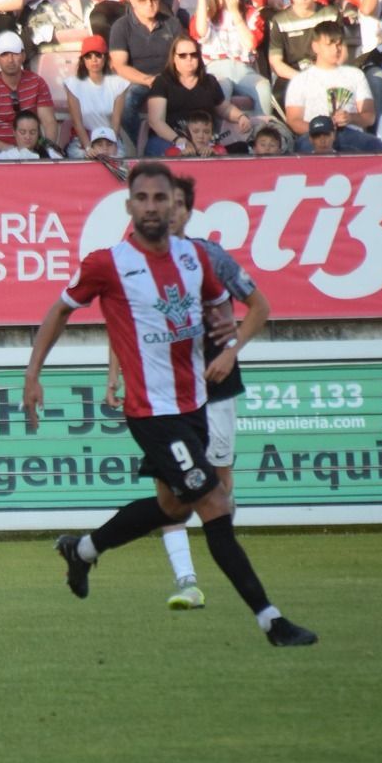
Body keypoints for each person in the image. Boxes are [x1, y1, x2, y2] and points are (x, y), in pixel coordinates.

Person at [21, 161, 316, 648]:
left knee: (172, 508)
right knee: (214, 503)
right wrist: (33, 373)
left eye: (162, 198)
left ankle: (84, 550)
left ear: (176, 206)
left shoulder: (194, 258)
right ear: (130, 205)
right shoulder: (107, 263)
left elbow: (222, 307)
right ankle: (272, 621)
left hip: (195, 405)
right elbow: (60, 310)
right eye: (144, 198)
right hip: (152, 414)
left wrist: (227, 335)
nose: (153, 207)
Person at [103, 172, 271, 611]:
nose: (164, 210)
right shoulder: (130, 262)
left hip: (212, 387)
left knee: (219, 482)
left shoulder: (208, 257)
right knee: (173, 490)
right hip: (161, 396)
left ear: (187, 211)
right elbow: (125, 327)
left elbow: (259, 306)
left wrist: (231, 350)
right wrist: (114, 375)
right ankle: (186, 580)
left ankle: (229, 566)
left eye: (174, 203)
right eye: (158, 201)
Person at [284, 20, 382, 152]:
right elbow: (293, 120)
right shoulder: (300, 79)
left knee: (377, 147)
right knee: (305, 148)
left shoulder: (355, 75)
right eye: (329, 44)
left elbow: (369, 117)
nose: (335, 49)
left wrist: (350, 117)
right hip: (314, 135)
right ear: (315, 47)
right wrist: (320, 128)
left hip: (349, 132)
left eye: (338, 44)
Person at [145, 36, 251, 154]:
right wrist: (179, 141)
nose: (189, 59)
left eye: (193, 54)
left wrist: (241, 117)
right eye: (183, 55)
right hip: (168, 139)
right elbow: (156, 121)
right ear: (174, 58)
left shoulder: (209, 81)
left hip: (203, 139)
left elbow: (224, 108)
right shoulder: (162, 82)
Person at [110, 0, 184, 147]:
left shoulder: (172, 24)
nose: (149, 4)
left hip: (170, 79)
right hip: (138, 81)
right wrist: (148, 80)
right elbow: (120, 66)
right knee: (125, 105)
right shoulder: (121, 27)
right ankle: (148, 145)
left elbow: (183, 56)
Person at [192, 0, 274, 118]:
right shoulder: (206, 12)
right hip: (215, 68)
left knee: (263, 87)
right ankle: (219, 133)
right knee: (222, 88)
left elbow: (250, 43)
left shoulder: (250, 13)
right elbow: (200, 32)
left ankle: (262, 131)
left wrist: (235, 13)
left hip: (243, 69)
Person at [0, 32, 60, 154]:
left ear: (23, 56)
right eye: (4, 55)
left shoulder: (37, 83)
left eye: (15, 54)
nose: (10, 60)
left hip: (33, 148)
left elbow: (49, 122)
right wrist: (12, 151)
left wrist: (48, 150)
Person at [267, 0, 338, 106]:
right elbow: (276, 62)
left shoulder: (331, 14)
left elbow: (340, 52)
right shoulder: (280, 21)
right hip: (293, 76)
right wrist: (302, 79)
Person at [65, 33, 131, 155]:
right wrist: (89, 149)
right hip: (83, 141)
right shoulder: (72, 84)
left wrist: (109, 145)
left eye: (98, 55)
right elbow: (77, 122)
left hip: (110, 139)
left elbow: (116, 121)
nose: (93, 60)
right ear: (83, 60)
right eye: (88, 56)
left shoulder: (119, 84)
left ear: (105, 57)